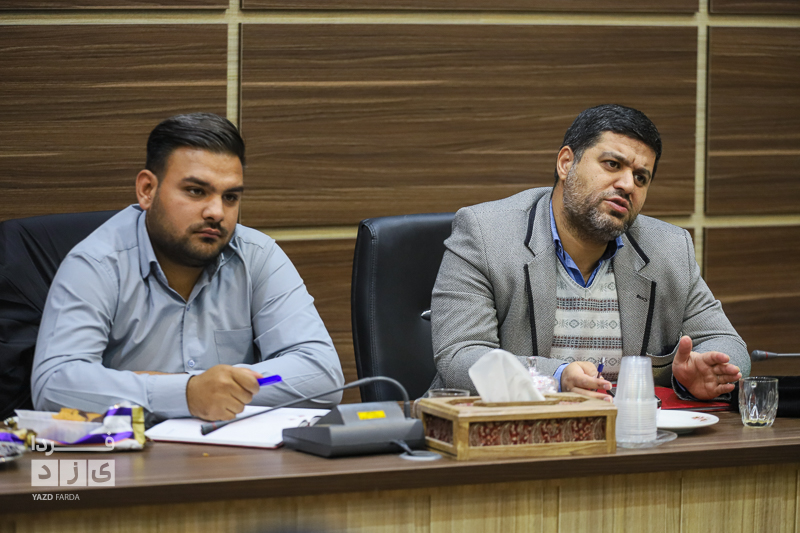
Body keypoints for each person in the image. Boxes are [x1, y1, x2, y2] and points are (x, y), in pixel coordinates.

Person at [31, 113, 344, 422]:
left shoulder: (257, 255)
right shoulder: (97, 263)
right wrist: (188, 393)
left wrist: (219, 390)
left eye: (230, 197)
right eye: (196, 191)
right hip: (132, 451)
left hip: (232, 450)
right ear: (147, 190)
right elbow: (54, 385)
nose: (216, 212)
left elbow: (321, 373)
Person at [431, 104, 748, 401]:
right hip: (509, 432)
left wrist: (699, 373)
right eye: (613, 164)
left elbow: (730, 345)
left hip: (624, 435)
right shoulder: (486, 234)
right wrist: (556, 378)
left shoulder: (669, 249)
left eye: (641, 177)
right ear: (566, 163)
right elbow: (460, 357)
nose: (628, 185)